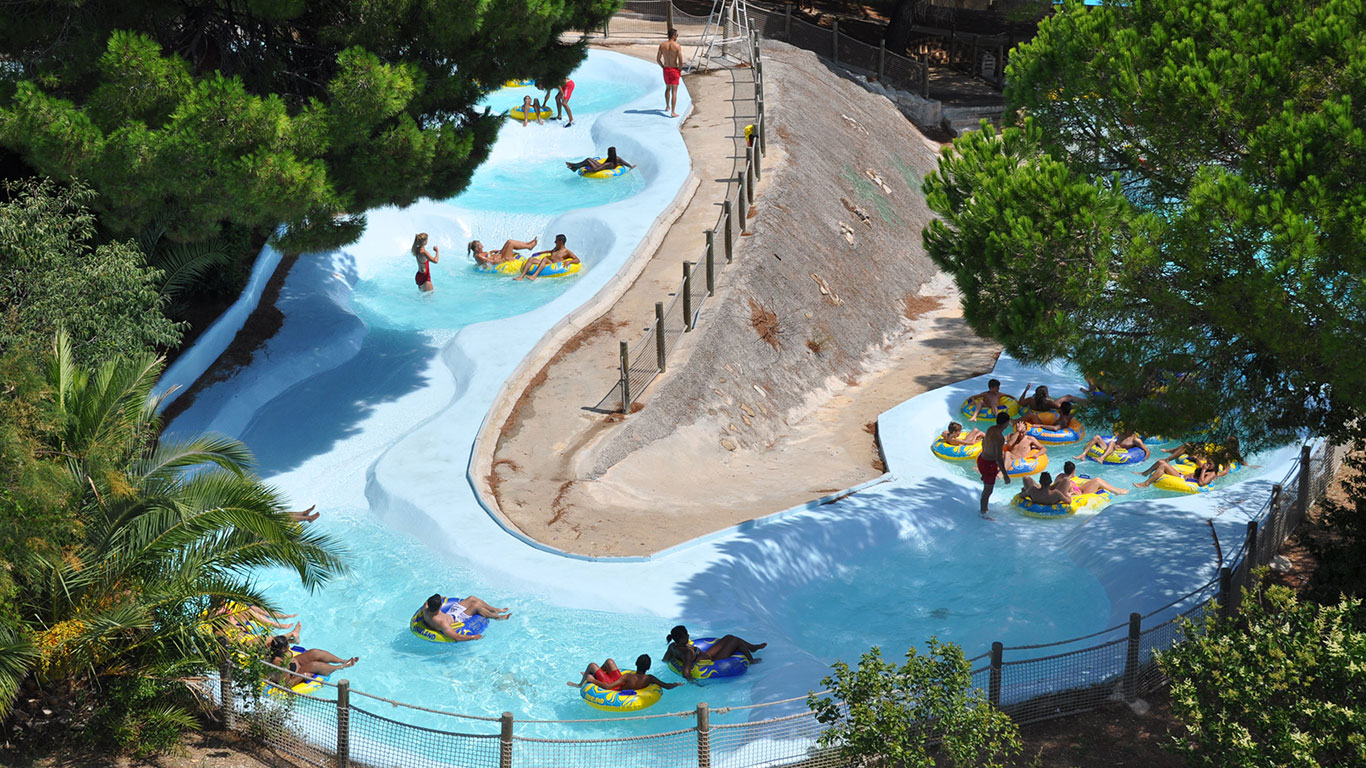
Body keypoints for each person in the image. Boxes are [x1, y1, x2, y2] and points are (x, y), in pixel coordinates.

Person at [663, 625, 766, 681]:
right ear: (681, 639)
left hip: (706, 654)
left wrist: (672, 664)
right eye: (686, 635)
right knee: (735, 641)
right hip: (712, 661)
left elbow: (665, 659)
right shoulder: (687, 653)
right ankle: (751, 658)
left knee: (729, 637)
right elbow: (686, 673)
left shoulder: (673, 646)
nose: (688, 635)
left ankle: (752, 647)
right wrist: (695, 684)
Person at [266, 634, 357, 688]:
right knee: (314, 665)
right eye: (287, 645)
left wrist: (289, 658)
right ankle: (341, 667)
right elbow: (286, 685)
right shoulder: (281, 664)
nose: (289, 646)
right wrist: (303, 676)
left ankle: (342, 661)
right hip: (293, 675)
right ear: (282, 650)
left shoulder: (273, 650)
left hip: (292, 666)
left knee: (314, 653)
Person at [421, 593, 511, 641]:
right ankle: (498, 617)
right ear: (440, 606)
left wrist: (440, 597)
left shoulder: (426, 608)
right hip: (456, 619)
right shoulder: (441, 623)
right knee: (476, 606)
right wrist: (473, 637)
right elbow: (456, 637)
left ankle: (496, 610)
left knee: (472, 598)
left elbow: (430, 600)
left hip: (450, 613)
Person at [568, 654, 680, 691]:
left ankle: (579, 684)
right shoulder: (650, 678)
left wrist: (593, 680)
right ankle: (597, 673)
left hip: (615, 687)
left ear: (636, 663)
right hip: (620, 683)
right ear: (649, 667)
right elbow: (667, 686)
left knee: (592, 665)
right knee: (609, 661)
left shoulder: (628, 676)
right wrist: (676, 684)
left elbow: (608, 687)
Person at [976, 412, 1013, 519]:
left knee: (987, 489)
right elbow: (998, 458)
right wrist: (1005, 475)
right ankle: (983, 513)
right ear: (1006, 423)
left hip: (982, 459)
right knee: (988, 490)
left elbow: (984, 443)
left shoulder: (991, 428)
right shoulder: (1000, 437)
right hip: (988, 464)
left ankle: (985, 509)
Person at [513, 234, 579, 281]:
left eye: (556, 241)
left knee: (544, 259)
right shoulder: (556, 249)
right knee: (531, 259)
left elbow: (577, 260)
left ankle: (534, 276)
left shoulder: (567, 252)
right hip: (548, 263)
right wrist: (539, 253)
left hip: (553, 265)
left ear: (561, 242)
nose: (554, 242)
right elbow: (549, 251)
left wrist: (569, 261)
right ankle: (521, 277)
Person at [1133, 457, 1225, 489]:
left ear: (1215, 466)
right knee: (1161, 462)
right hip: (1181, 475)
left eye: (1210, 464)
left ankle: (1146, 483)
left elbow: (1201, 483)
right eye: (1207, 462)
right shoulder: (1207, 467)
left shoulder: (1212, 473)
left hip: (1183, 480)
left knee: (1163, 466)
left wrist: (1204, 469)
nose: (1207, 464)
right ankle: (1145, 473)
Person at [1051, 460, 1129, 496]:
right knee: (1097, 481)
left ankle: (1117, 490)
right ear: (1073, 471)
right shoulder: (1068, 484)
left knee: (1096, 479)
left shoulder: (1060, 476)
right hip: (1083, 495)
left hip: (1078, 488)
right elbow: (1070, 494)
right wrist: (1073, 492)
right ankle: (1118, 491)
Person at [656, 28, 683, 117]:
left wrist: (663, 67)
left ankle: (667, 106)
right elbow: (680, 60)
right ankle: (673, 112)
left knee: (668, 88)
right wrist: (680, 69)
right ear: (674, 36)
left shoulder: (662, 45)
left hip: (666, 69)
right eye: (677, 35)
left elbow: (658, 59)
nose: (677, 36)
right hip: (674, 69)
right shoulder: (677, 46)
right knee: (674, 91)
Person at [1072, 431, 1149, 462]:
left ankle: (1101, 458)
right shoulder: (1122, 434)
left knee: (1112, 443)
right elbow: (1115, 436)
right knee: (1097, 437)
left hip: (1121, 453)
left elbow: (1147, 451)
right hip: (1111, 449)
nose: (1125, 428)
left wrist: (1143, 460)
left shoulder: (1136, 440)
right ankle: (1083, 454)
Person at [468, 237, 538, 267]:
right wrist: (505, 259)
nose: (482, 246)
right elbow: (491, 262)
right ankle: (529, 247)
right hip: (501, 259)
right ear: (477, 249)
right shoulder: (478, 256)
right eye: (480, 246)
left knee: (509, 241)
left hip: (500, 255)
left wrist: (492, 252)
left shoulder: (480, 253)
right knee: (511, 244)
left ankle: (528, 244)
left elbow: (488, 255)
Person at [566, 146, 634, 175]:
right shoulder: (617, 158)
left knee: (588, 160)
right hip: (603, 166)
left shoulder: (608, 163)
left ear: (608, 153)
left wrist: (586, 171)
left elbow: (596, 169)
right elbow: (625, 163)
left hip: (601, 167)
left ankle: (573, 166)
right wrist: (631, 166)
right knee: (589, 159)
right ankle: (574, 166)